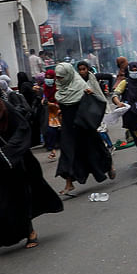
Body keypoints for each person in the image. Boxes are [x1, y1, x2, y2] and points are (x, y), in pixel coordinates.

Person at [0, 70, 63, 248]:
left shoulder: (3, 106)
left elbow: (22, 128)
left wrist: (8, 150)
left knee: (18, 197)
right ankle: (4, 233)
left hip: (11, 161)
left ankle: (30, 231)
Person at [54, 63, 113, 195]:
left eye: (61, 77)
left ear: (68, 75)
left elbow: (94, 102)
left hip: (83, 126)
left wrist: (90, 95)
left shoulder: (81, 87)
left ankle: (109, 166)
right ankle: (69, 183)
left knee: (95, 148)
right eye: (58, 77)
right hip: (69, 128)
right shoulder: (60, 89)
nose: (59, 80)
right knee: (67, 153)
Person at [41, 70, 60, 161]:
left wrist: (55, 104)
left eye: (50, 78)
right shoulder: (44, 87)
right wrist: (44, 100)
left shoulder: (58, 86)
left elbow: (60, 97)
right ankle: (53, 151)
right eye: (47, 77)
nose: (48, 79)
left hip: (59, 110)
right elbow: (44, 96)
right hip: (50, 112)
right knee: (50, 130)